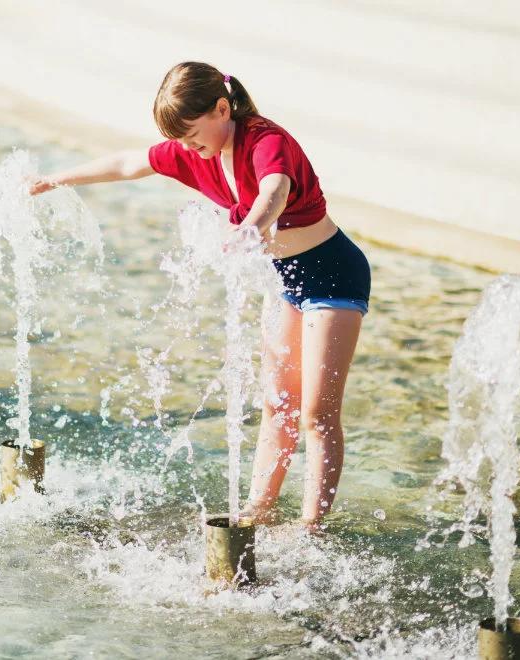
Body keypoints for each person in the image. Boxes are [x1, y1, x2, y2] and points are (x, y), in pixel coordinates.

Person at [31, 62, 371, 531]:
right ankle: (258, 511)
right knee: (277, 403)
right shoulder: (195, 152)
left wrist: (251, 228)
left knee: (317, 412)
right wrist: (58, 178)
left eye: (193, 136)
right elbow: (128, 164)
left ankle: (313, 527)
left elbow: (275, 189)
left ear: (221, 108)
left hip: (333, 276)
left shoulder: (266, 140)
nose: (190, 149)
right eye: (183, 142)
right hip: (286, 280)